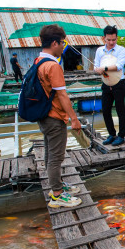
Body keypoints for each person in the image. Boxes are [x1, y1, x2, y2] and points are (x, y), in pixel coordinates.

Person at [35, 24, 82, 208]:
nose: (63, 46)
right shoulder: (52, 66)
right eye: (62, 42)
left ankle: (56, 186)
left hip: (44, 116)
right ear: (54, 43)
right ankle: (57, 195)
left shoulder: (38, 60)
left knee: (49, 154)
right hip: (54, 117)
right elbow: (62, 95)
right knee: (56, 157)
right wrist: (74, 118)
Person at [94, 25, 125, 146]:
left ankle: (121, 135)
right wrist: (98, 70)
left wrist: (105, 68)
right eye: (109, 40)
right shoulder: (99, 51)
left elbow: (119, 65)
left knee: (120, 110)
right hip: (106, 83)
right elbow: (95, 66)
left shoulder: (121, 50)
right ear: (104, 38)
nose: (111, 42)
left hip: (119, 83)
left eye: (114, 40)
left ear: (116, 38)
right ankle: (111, 134)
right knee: (106, 109)